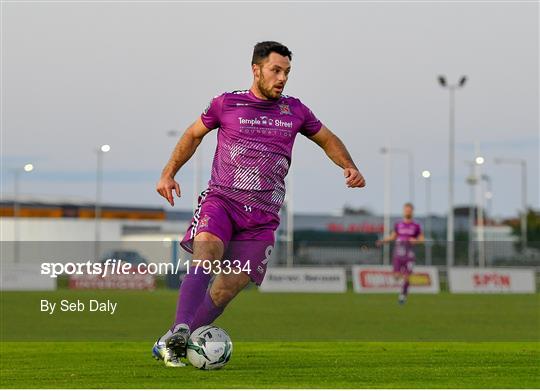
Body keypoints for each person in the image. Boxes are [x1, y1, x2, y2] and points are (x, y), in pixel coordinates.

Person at [153, 41, 366, 367]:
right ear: (256, 69)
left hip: (263, 217)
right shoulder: (226, 103)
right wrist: (168, 173)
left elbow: (327, 138)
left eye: (287, 72)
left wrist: (348, 165)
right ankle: (181, 328)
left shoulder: (295, 111)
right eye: (276, 70)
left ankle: (173, 341)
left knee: (226, 289)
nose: (282, 78)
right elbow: (193, 134)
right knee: (206, 249)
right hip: (222, 200)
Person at [377, 203, 424, 304]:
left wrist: (416, 240)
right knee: (396, 277)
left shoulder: (416, 225)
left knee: (407, 276)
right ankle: (404, 277)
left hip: (409, 255)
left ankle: (403, 295)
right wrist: (383, 241)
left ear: (412, 211)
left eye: (409, 210)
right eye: (406, 210)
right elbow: (392, 236)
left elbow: (421, 239)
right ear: (403, 211)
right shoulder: (398, 224)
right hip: (398, 254)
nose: (407, 211)